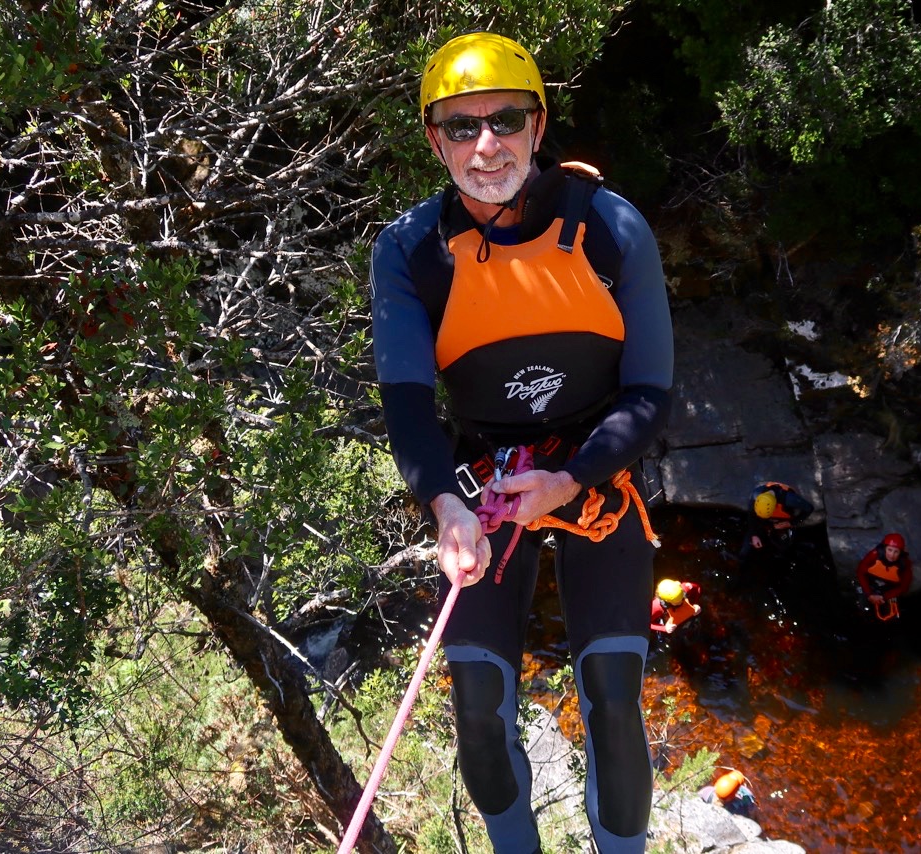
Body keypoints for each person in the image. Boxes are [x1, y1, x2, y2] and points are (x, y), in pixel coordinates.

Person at [370, 31, 674, 854]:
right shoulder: (410, 253)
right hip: (483, 478)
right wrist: (445, 505)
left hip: (595, 468)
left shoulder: (610, 228)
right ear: (434, 140)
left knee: (613, 697)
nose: (486, 146)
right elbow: (407, 405)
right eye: (460, 127)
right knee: (477, 710)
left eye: (505, 120)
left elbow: (650, 392)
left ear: (538, 127)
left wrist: (572, 479)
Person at [740, 481, 814, 562]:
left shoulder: (789, 499)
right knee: (746, 547)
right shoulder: (756, 495)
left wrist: (791, 523)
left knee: (784, 546)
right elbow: (751, 515)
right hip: (765, 521)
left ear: (775, 506)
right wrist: (754, 535)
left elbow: (809, 508)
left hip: (782, 522)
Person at [855, 532, 913, 620]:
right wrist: (869, 594)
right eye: (890, 550)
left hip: (888, 590)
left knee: (892, 616)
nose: (892, 555)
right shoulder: (874, 555)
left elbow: (903, 587)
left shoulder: (904, 564)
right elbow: (860, 573)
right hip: (870, 585)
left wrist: (884, 597)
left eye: (896, 552)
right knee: (863, 609)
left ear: (900, 552)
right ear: (884, 548)